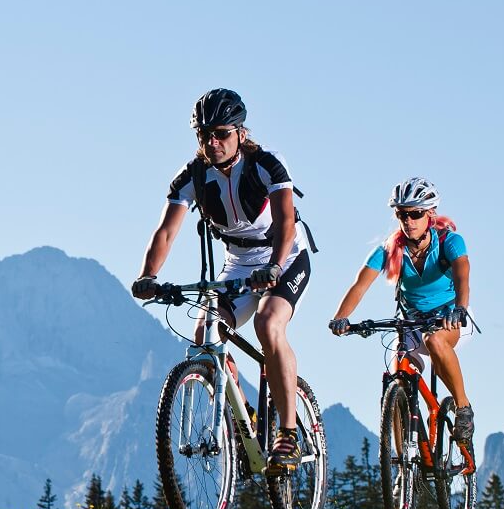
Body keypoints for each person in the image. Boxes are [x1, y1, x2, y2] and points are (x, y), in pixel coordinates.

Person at [132, 88, 313, 474]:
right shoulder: (193, 176)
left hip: (284, 255)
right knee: (205, 336)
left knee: (268, 324)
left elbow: (285, 221)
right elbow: (166, 231)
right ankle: (246, 416)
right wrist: (149, 275)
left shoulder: (266, 164)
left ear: (240, 134)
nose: (212, 142)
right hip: (239, 263)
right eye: (204, 135)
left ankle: (288, 433)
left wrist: (276, 267)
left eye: (220, 133)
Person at [328, 177, 476, 446]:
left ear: (430, 214)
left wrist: (460, 308)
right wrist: (341, 317)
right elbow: (360, 285)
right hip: (410, 322)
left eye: (415, 214)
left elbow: (462, 274)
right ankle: (401, 465)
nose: (408, 221)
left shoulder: (449, 241)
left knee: (435, 341)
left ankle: (463, 407)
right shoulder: (390, 249)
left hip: (449, 316)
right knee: (397, 376)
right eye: (402, 214)